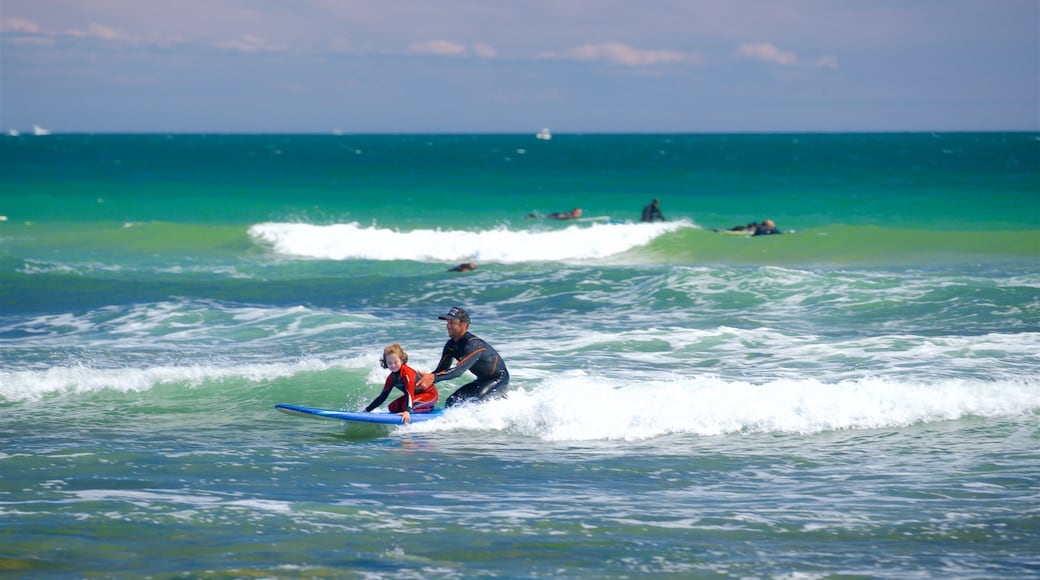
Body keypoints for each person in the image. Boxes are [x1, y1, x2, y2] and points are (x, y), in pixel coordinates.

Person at [415, 306, 510, 407]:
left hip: (498, 379)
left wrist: (433, 377)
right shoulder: (451, 345)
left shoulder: (473, 345)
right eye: (448, 322)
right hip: (482, 380)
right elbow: (441, 370)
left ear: (464, 325)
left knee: (475, 403)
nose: (448, 326)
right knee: (451, 402)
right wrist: (423, 381)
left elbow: (458, 371)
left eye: (452, 323)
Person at [363, 343, 438, 424]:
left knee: (408, 407)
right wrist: (367, 410)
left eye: (395, 362)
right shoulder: (391, 378)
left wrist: (407, 412)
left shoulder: (406, 373)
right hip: (415, 396)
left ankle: (429, 408)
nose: (393, 365)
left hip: (430, 395)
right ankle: (416, 408)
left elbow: (409, 393)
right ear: (386, 363)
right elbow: (382, 396)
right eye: (389, 363)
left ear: (401, 360)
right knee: (392, 407)